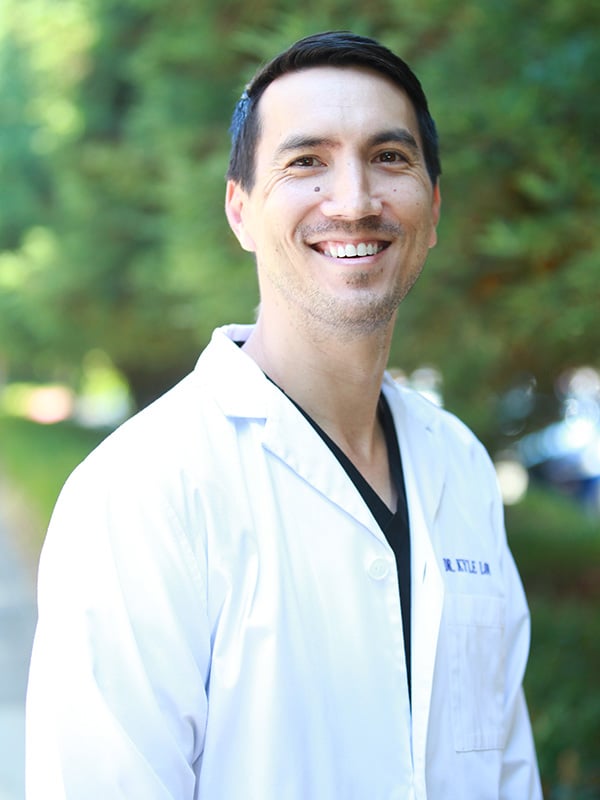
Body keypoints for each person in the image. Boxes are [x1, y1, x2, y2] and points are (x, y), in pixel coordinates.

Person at [26, 30, 543, 799]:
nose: (355, 199)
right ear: (239, 212)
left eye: (389, 157)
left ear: (432, 211)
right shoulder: (141, 488)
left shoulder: (460, 467)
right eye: (306, 162)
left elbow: (506, 770)